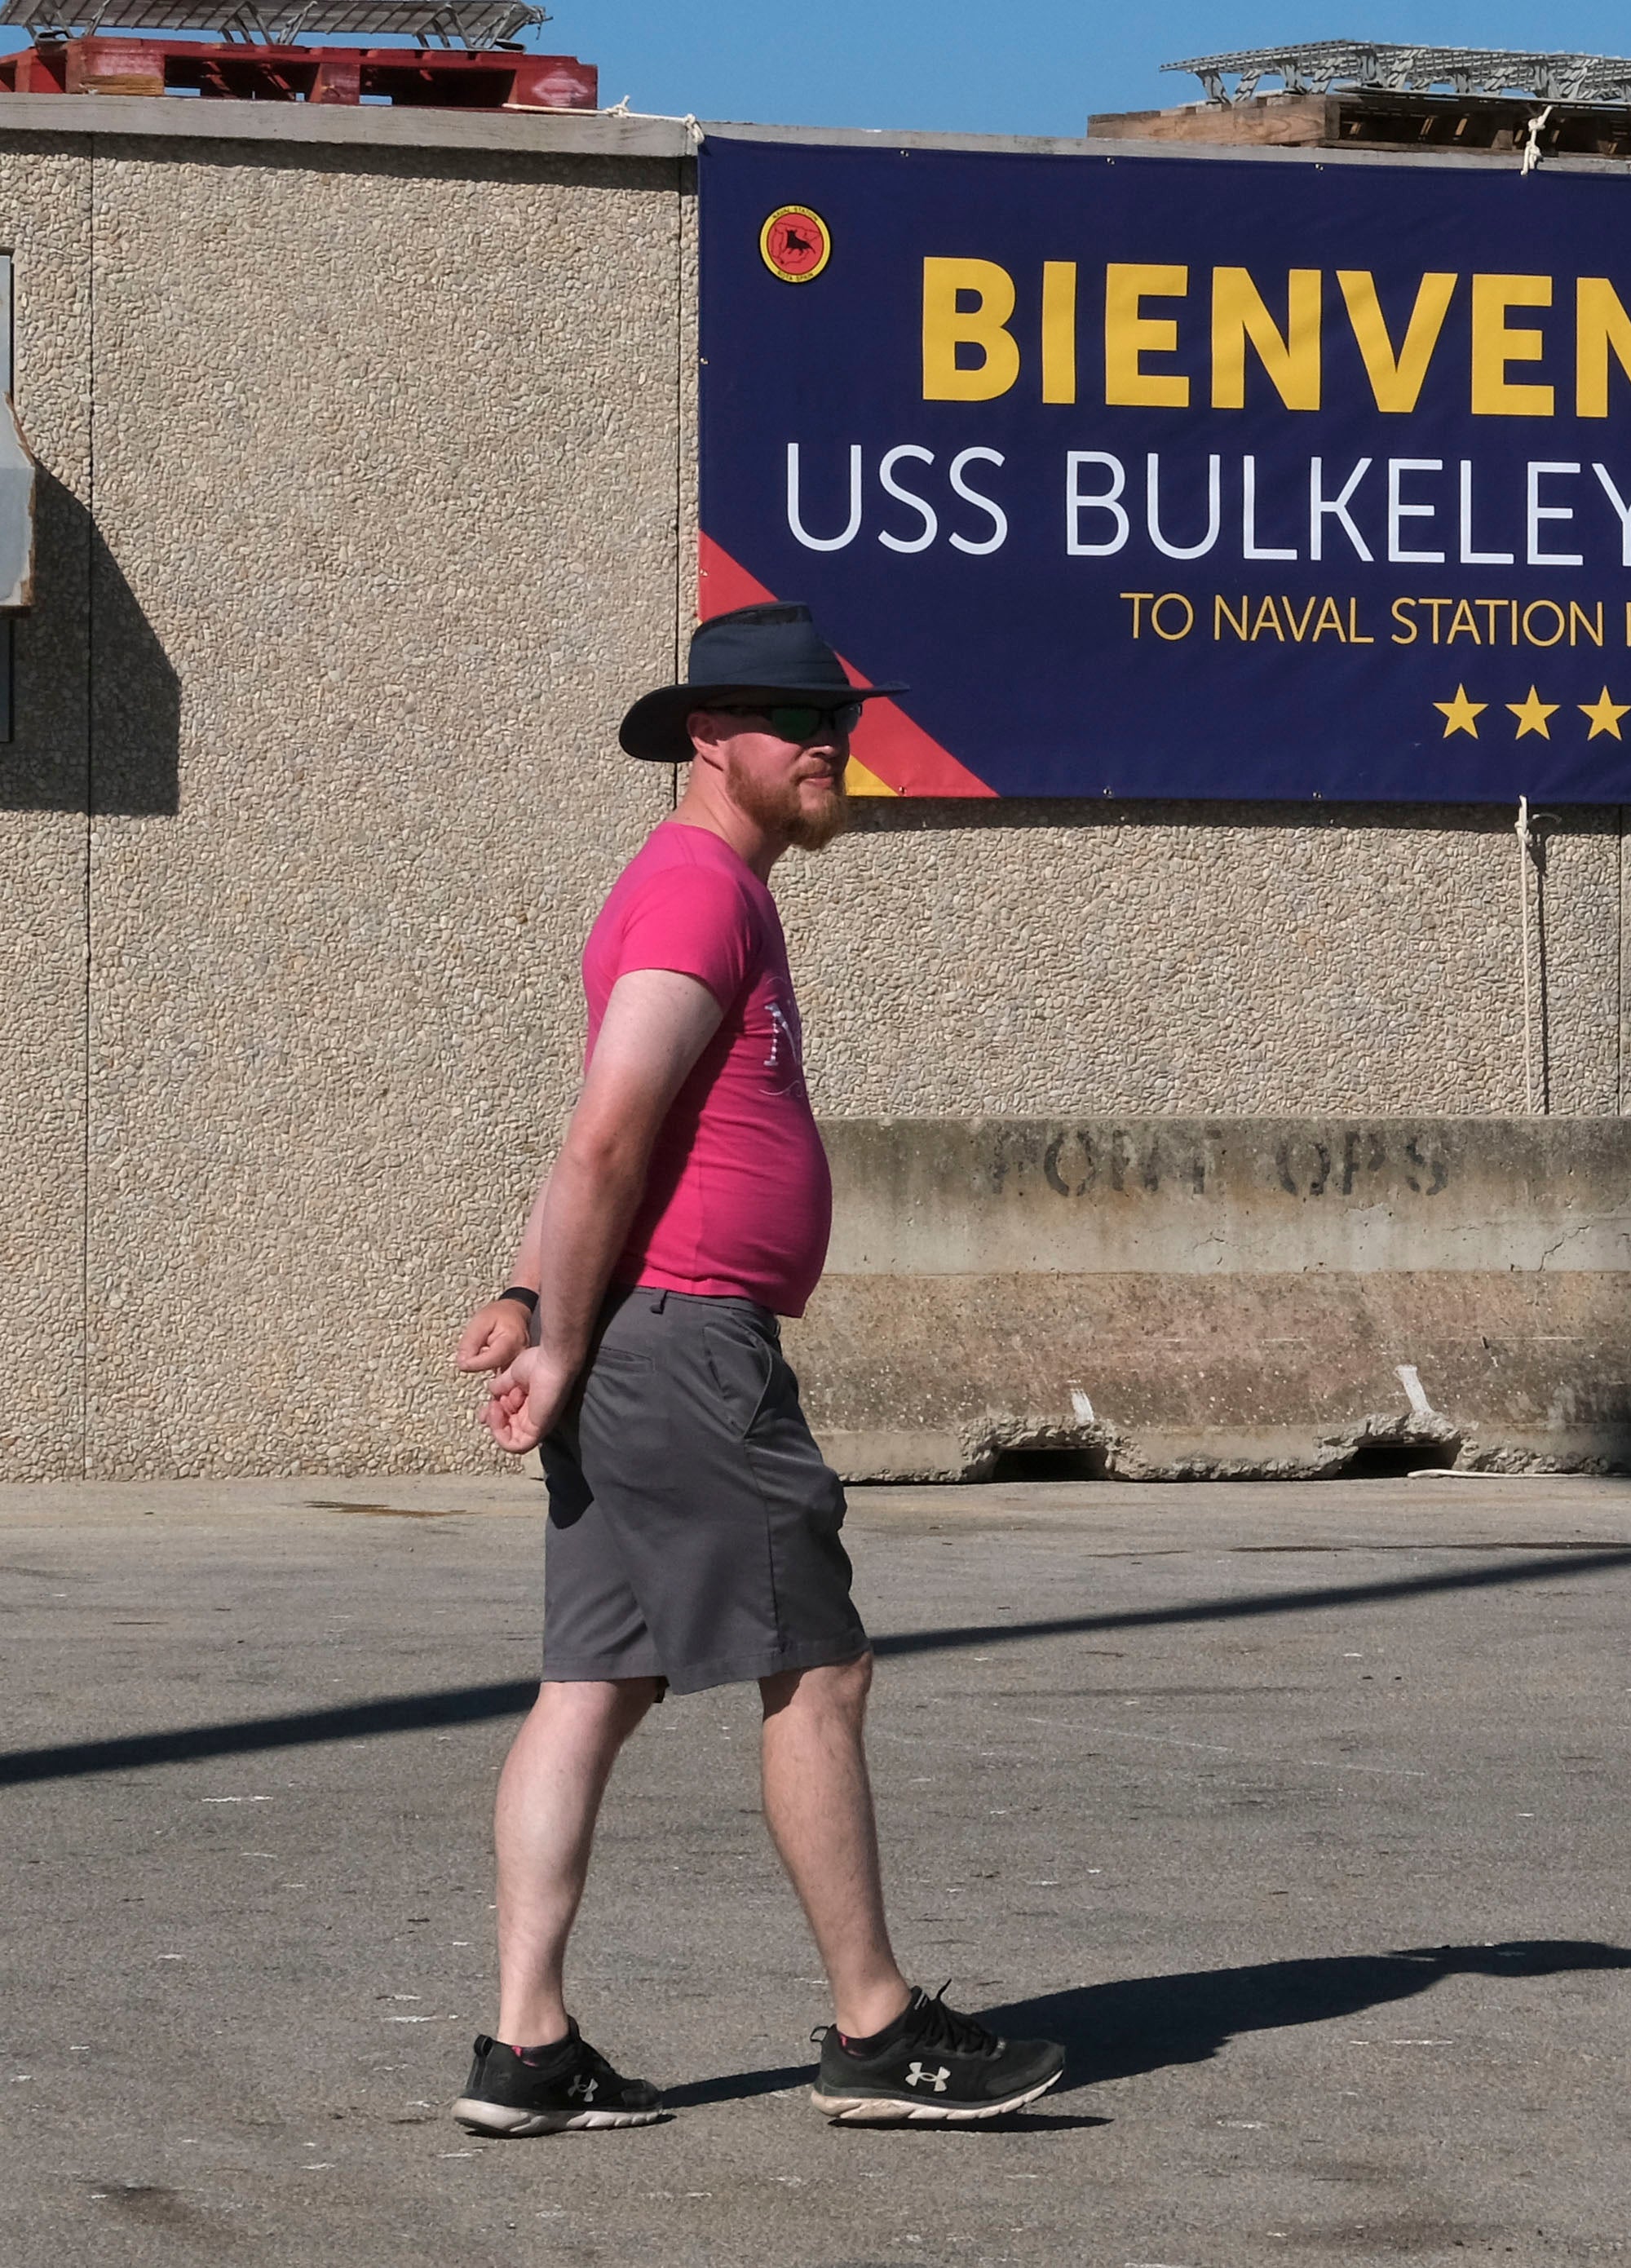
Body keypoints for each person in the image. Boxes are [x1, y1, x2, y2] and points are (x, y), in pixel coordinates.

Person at [444, 602, 1063, 2135]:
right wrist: (571, 1332)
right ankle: (873, 2027)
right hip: (688, 1347)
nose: (828, 744)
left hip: (649, 1334)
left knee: (595, 1680)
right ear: (709, 740)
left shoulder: (713, 892)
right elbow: (608, 1128)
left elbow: (605, 1132)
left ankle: (527, 2047)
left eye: (835, 721)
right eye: (797, 723)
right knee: (820, 1665)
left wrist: (534, 1294)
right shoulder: (694, 890)